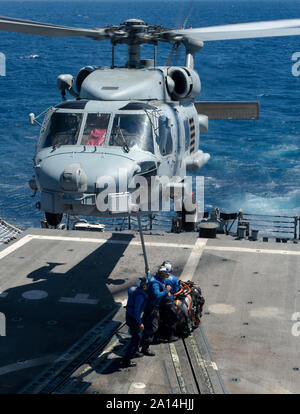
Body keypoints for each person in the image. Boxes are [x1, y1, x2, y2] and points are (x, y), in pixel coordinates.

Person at [140, 268, 172, 356]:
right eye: (165, 276)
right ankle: (145, 348)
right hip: (152, 308)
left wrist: (148, 274)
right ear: (162, 275)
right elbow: (157, 295)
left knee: (146, 324)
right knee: (153, 327)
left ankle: (142, 340)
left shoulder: (153, 278)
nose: (166, 278)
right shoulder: (155, 284)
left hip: (148, 306)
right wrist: (166, 290)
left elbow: (149, 278)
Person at [121, 277, 149, 368]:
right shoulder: (140, 296)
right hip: (134, 318)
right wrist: (140, 322)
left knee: (136, 336)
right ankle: (126, 360)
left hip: (128, 315)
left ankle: (135, 351)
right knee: (136, 338)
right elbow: (136, 312)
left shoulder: (132, 289)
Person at [159, 261, 180, 342]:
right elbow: (176, 290)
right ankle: (170, 336)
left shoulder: (156, 277)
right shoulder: (173, 278)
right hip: (167, 302)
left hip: (157, 301)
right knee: (173, 318)